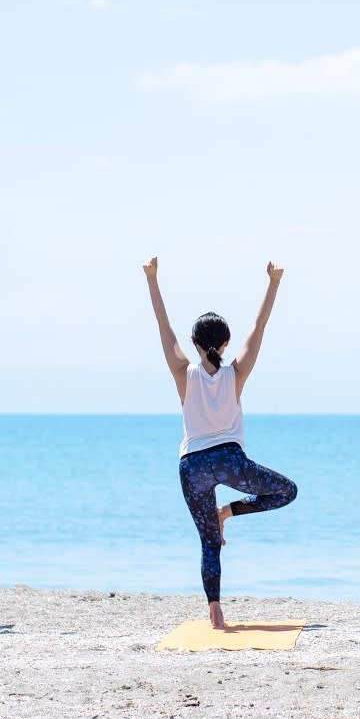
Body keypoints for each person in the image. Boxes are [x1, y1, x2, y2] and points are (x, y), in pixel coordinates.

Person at [143, 257, 298, 629]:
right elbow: (260, 327)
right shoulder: (236, 373)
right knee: (286, 491)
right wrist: (274, 283)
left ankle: (214, 612)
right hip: (230, 460)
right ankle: (227, 512)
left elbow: (163, 327)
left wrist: (152, 279)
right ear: (225, 343)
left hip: (192, 466)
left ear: (194, 343)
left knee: (209, 543)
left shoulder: (184, 373)